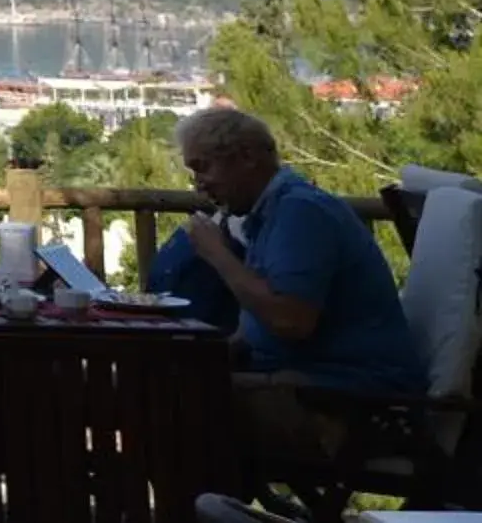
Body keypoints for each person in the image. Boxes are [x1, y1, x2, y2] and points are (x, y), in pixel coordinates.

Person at [171, 106, 418, 457]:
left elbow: (290, 320)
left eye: (203, 167)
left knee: (172, 408)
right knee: (164, 389)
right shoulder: (269, 214)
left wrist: (218, 255)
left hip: (349, 405)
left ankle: (200, 509)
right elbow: (259, 323)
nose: (198, 184)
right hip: (312, 387)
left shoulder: (301, 212)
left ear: (246, 157)